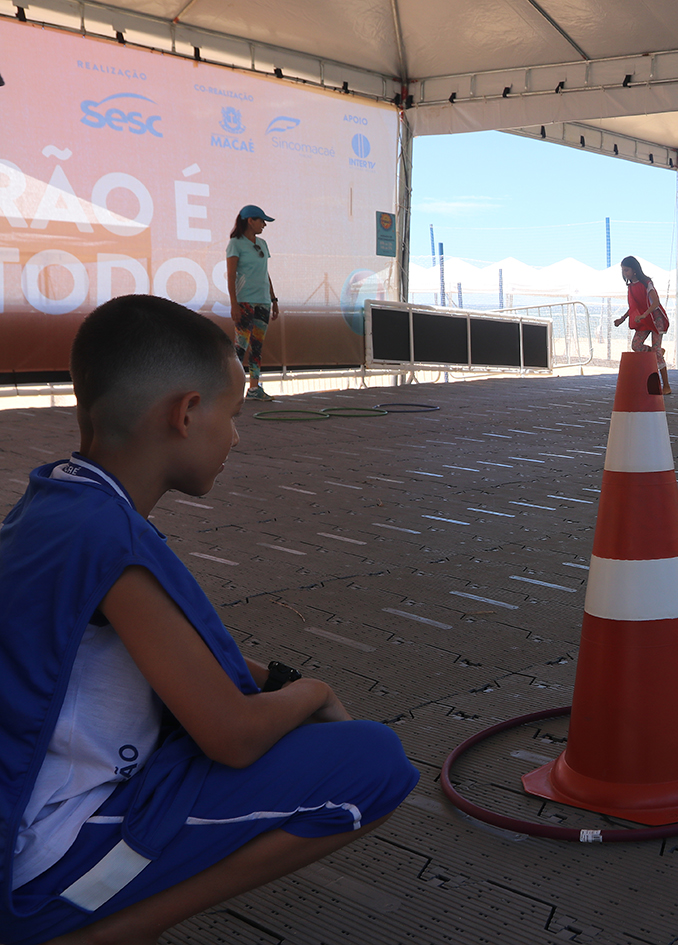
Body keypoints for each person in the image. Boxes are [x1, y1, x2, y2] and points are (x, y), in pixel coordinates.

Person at [0, 295, 417, 945]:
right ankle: (114, 925)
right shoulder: (111, 543)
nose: (237, 435)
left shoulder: (58, 500)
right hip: (50, 853)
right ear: (187, 413)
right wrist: (313, 690)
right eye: (234, 413)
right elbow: (231, 735)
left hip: (33, 808)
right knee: (373, 764)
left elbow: (147, 653)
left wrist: (267, 676)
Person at [225, 205, 279, 402]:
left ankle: (254, 388)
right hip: (245, 301)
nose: (264, 225)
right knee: (240, 345)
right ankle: (233, 389)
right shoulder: (235, 243)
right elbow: (231, 275)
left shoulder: (263, 244)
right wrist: (234, 304)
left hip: (263, 301)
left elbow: (265, 273)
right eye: (261, 220)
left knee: (257, 346)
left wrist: (273, 298)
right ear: (250, 220)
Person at [612, 256, 672, 394]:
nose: (624, 273)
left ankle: (666, 385)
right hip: (644, 320)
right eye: (623, 270)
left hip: (655, 319)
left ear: (634, 270)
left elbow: (656, 303)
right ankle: (655, 352)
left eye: (626, 270)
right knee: (636, 345)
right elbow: (633, 307)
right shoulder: (631, 287)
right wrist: (622, 319)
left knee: (656, 351)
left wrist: (645, 314)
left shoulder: (646, 283)